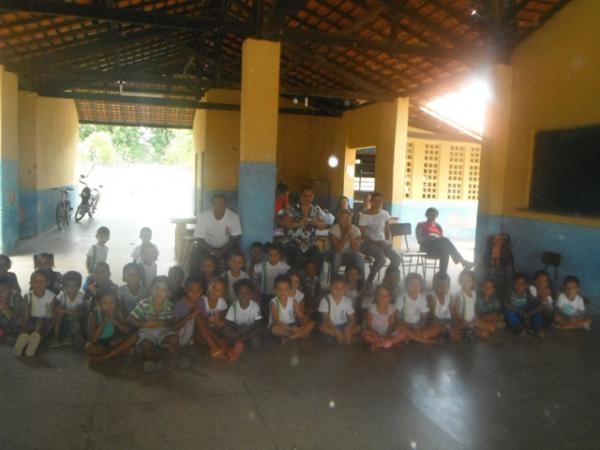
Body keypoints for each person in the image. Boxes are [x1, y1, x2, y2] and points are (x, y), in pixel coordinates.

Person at [127, 276, 178, 373]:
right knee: (146, 344)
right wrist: (145, 324)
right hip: (147, 331)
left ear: (168, 293)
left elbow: (171, 322)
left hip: (163, 331)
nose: (159, 292)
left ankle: (173, 357)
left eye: (164, 290)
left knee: (175, 339)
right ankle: (153, 359)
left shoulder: (169, 305)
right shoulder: (144, 303)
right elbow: (130, 319)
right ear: (150, 290)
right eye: (156, 288)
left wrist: (162, 323)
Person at [190, 194, 242, 276]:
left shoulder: (233, 217)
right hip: (206, 247)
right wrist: (213, 251)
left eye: (221, 204)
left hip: (227, 247)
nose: (218, 207)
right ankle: (195, 280)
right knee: (194, 256)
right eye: (215, 204)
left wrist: (223, 251)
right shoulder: (203, 217)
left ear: (226, 205)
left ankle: (234, 280)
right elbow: (199, 239)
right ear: (211, 205)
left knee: (238, 257)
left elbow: (235, 237)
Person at [358, 192, 401, 285]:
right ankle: (369, 281)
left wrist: (388, 241)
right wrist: (376, 242)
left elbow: (387, 230)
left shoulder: (384, 214)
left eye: (379, 201)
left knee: (397, 258)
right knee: (381, 259)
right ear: (371, 201)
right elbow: (363, 235)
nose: (377, 203)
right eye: (375, 201)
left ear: (382, 202)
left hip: (382, 242)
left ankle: (387, 278)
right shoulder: (364, 216)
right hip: (368, 243)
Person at [196, 278, 244, 361]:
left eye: (219, 290)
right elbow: (202, 317)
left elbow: (222, 320)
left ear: (222, 292)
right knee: (201, 321)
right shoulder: (202, 300)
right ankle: (218, 349)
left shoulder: (222, 302)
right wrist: (210, 320)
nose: (215, 291)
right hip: (203, 331)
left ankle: (228, 353)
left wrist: (217, 322)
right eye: (213, 288)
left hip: (215, 329)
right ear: (208, 288)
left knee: (222, 333)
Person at [280, 186, 327, 271]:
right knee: (298, 257)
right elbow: (285, 223)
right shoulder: (292, 208)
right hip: (292, 242)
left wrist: (314, 222)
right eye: (305, 195)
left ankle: (314, 281)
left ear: (313, 197)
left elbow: (323, 225)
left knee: (319, 257)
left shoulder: (316, 210)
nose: (307, 198)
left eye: (310, 196)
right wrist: (299, 223)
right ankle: (295, 281)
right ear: (301, 196)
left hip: (309, 243)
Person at [85, 290, 137, 366]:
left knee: (135, 337)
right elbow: (93, 340)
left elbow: (127, 330)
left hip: (114, 340)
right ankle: (118, 351)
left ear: (116, 302)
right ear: (98, 304)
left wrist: (115, 322)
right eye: (105, 303)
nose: (109, 306)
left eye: (112, 302)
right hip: (100, 343)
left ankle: (104, 357)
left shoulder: (117, 311)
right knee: (88, 347)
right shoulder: (93, 315)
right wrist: (104, 322)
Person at [415, 207, 473, 275]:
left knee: (445, 251)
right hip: (426, 248)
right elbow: (419, 240)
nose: (432, 217)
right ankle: (463, 262)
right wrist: (428, 237)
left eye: (434, 215)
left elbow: (442, 239)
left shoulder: (438, 226)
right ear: (426, 215)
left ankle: (442, 274)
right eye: (430, 215)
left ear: (437, 216)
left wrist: (437, 237)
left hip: (437, 248)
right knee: (445, 241)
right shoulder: (421, 225)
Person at [13, 270, 56, 357]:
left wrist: (50, 328)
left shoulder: (51, 296)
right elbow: (26, 314)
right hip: (32, 318)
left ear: (47, 283)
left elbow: (52, 314)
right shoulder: (28, 296)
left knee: (40, 323)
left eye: (41, 281)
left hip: (45, 319)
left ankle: (34, 339)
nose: (38, 284)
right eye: (35, 281)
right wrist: (24, 327)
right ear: (31, 283)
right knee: (29, 326)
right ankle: (24, 338)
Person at [396, 273, 440, 345]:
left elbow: (424, 318)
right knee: (398, 326)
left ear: (421, 287)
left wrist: (418, 326)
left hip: (417, 326)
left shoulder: (422, 298)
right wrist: (409, 326)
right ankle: (424, 340)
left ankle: (411, 337)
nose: (415, 288)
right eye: (412, 285)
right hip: (405, 325)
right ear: (406, 286)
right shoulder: (402, 297)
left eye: (418, 285)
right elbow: (397, 317)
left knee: (437, 328)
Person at [269, 275, 314, 343]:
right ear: (275, 289)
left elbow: (300, 316)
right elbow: (276, 321)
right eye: (280, 289)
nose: (283, 292)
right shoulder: (274, 303)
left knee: (311, 323)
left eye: (286, 289)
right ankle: (301, 334)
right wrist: (291, 329)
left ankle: (292, 337)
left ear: (289, 290)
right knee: (274, 329)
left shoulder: (293, 301)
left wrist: (304, 319)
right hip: (280, 325)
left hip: (292, 324)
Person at [454, 270, 497, 339]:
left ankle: (470, 332)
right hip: (464, 322)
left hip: (473, 320)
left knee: (492, 328)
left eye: (468, 281)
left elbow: (474, 308)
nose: (465, 283)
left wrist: (476, 317)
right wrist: (463, 321)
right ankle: (466, 332)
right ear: (460, 282)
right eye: (463, 281)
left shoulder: (474, 294)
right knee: (484, 334)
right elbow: (456, 312)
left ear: (473, 283)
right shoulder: (459, 295)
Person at [318, 275, 361, 344]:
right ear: (331, 288)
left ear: (346, 289)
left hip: (344, 325)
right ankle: (344, 337)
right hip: (331, 325)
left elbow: (353, 319)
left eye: (342, 289)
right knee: (322, 327)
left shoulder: (347, 301)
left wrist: (347, 328)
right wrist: (336, 331)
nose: (339, 291)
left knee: (358, 327)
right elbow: (325, 319)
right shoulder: (325, 300)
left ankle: (340, 336)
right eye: (336, 288)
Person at [361, 284, 406, 351]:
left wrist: (387, 334)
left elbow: (391, 324)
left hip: (387, 331)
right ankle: (389, 343)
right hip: (374, 332)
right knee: (366, 337)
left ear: (390, 297)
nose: (383, 298)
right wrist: (376, 334)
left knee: (404, 334)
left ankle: (379, 344)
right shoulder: (372, 308)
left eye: (386, 296)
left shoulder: (391, 308)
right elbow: (369, 325)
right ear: (376, 296)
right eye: (380, 295)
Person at [172, 276, 204, 367]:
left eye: (198, 290)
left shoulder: (201, 302)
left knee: (200, 318)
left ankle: (191, 347)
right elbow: (174, 327)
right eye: (191, 290)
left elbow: (204, 323)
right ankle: (177, 356)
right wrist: (189, 316)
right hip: (178, 336)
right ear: (186, 290)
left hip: (191, 337)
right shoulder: (180, 304)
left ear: (202, 290)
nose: (195, 293)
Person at [221, 279, 264, 347]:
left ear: (251, 294)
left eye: (247, 293)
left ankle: (239, 340)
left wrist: (250, 328)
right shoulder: (234, 306)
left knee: (260, 329)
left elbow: (258, 321)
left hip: (250, 329)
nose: (244, 295)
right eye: (240, 293)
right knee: (225, 330)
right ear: (236, 294)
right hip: (238, 329)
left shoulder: (255, 305)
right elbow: (229, 321)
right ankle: (244, 339)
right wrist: (238, 328)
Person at [50, 271, 85, 347]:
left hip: (77, 320)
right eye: (68, 286)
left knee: (74, 317)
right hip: (64, 318)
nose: (71, 289)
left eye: (74, 286)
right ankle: (56, 337)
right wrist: (62, 310)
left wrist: (65, 311)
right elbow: (55, 308)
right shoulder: (62, 295)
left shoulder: (81, 296)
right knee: (59, 314)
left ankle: (68, 336)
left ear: (79, 286)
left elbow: (78, 312)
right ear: (64, 287)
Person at [503, 272, 543, 336]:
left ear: (526, 285)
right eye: (517, 283)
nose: (520, 286)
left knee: (537, 308)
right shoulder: (510, 291)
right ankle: (517, 327)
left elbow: (538, 303)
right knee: (508, 310)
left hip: (525, 312)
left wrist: (529, 313)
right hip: (515, 311)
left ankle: (536, 327)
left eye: (522, 284)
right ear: (513, 284)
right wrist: (520, 312)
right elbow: (505, 303)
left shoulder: (527, 292)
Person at [328, 209, 364, 279]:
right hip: (335, 253)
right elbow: (337, 249)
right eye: (343, 218)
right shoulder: (334, 228)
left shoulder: (356, 229)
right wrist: (346, 234)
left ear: (351, 219)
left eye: (347, 218)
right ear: (339, 219)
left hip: (350, 253)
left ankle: (360, 285)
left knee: (359, 257)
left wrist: (350, 236)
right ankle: (334, 283)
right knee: (337, 256)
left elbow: (356, 249)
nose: (345, 221)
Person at [426, 272, 461, 341]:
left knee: (461, 322)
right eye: (439, 285)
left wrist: (456, 320)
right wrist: (446, 325)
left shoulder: (449, 297)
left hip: (447, 320)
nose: (442, 288)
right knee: (434, 325)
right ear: (434, 285)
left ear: (449, 287)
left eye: (445, 286)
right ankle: (447, 332)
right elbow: (431, 315)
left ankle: (446, 333)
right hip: (436, 320)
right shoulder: (431, 297)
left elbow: (452, 313)